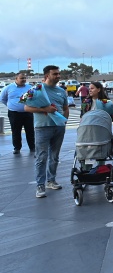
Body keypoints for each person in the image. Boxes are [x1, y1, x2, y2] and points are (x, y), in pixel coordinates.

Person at [24, 65, 69, 198]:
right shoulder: (35, 89)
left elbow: (66, 108)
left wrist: (64, 120)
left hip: (59, 127)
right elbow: (26, 107)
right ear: (46, 76)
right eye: (55, 74)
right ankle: (40, 185)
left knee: (54, 156)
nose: (58, 76)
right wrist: (45, 110)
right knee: (41, 156)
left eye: (59, 74)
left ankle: (51, 180)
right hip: (42, 127)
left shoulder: (61, 91)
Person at [1, 72, 35, 154]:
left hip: (27, 113)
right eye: (21, 78)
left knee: (30, 130)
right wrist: (11, 106)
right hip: (14, 113)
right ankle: (17, 148)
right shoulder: (8, 88)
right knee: (16, 131)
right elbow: (2, 99)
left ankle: (32, 147)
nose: (23, 80)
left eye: (24, 78)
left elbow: (33, 98)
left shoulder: (29, 87)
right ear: (16, 79)